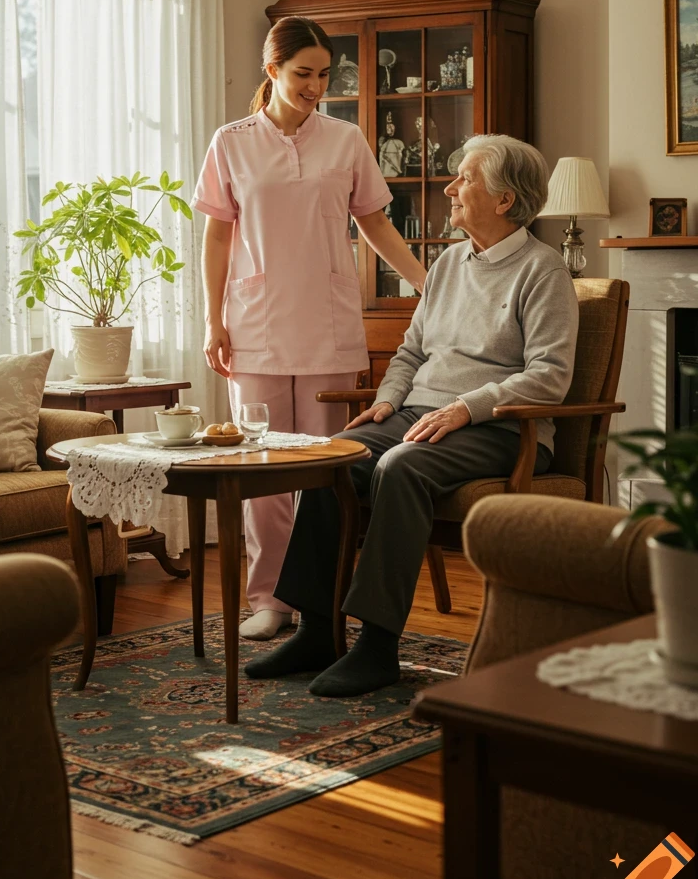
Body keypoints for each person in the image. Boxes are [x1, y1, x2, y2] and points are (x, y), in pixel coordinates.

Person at [246, 134, 579, 691]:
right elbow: (410, 352)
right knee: (330, 460)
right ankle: (318, 630)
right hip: (419, 414)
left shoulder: (543, 271)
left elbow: (550, 376)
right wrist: (386, 401)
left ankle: (377, 647)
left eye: (465, 178)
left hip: (503, 428)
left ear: (503, 199)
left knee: (400, 466)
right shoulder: (448, 264)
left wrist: (465, 409)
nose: (450, 188)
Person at [193, 16, 427, 640]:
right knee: (263, 470)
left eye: (324, 75)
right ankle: (269, 598)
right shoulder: (231, 141)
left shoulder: (345, 140)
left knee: (324, 474)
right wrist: (212, 319)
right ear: (271, 71)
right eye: (303, 74)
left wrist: (426, 282)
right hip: (254, 326)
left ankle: (320, 596)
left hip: (327, 325)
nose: (316, 86)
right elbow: (217, 236)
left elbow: (375, 223)